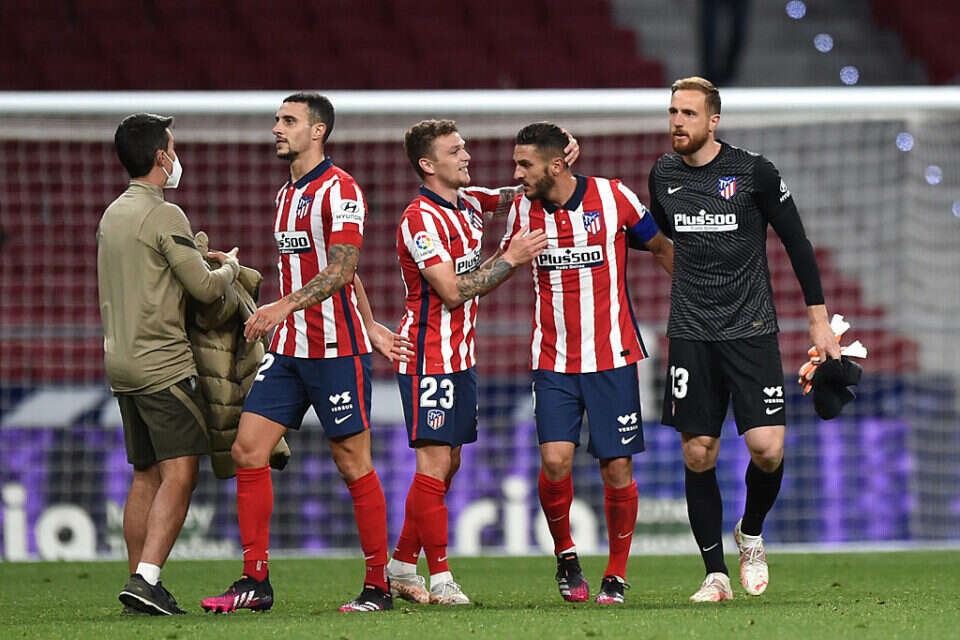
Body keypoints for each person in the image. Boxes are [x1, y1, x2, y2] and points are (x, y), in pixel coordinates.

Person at [200, 93, 412, 614]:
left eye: (289, 120)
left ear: (318, 131)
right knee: (247, 450)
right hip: (290, 349)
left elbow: (342, 269)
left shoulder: (341, 191)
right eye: (277, 119)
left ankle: (377, 587)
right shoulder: (286, 194)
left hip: (337, 352)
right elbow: (331, 270)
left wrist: (349, 324)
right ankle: (255, 581)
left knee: (352, 462)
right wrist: (371, 322)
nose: (277, 128)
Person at [647, 76, 841, 602]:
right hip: (691, 332)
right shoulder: (662, 174)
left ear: (713, 121)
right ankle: (715, 575)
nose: (677, 122)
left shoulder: (753, 171)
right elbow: (660, 238)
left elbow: (797, 242)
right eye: (672, 112)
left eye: (688, 113)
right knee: (698, 452)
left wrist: (819, 320)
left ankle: (750, 531)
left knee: (768, 450)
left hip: (751, 329)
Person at [385, 119, 556, 605]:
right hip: (427, 356)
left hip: (460, 357)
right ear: (427, 164)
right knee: (435, 463)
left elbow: (515, 192)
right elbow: (452, 291)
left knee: (450, 462)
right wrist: (512, 257)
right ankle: (440, 578)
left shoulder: (469, 203)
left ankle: (401, 566)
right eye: (454, 150)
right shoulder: (420, 220)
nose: (466, 156)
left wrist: (556, 160)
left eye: (464, 147)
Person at [502, 122, 674, 605]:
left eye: (525, 164)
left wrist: (695, 302)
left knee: (616, 467)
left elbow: (660, 246)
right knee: (556, 460)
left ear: (557, 165)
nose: (517, 174)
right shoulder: (521, 209)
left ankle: (615, 575)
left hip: (612, 358)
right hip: (553, 360)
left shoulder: (613, 197)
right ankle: (566, 555)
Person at [99, 113, 241, 615]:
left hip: (120, 363)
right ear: (162, 157)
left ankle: (137, 581)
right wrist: (229, 268)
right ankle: (147, 579)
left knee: (145, 475)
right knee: (180, 474)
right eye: (174, 149)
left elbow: (153, 276)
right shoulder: (165, 214)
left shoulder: (112, 214)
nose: (177, 157)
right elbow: (203, 288)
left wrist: (193, 257)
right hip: (162, 364)